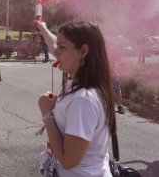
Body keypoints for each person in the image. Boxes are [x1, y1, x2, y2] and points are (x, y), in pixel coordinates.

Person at [36, 20, 115, 176]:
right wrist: (44, 30)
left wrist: (47, 114)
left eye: (62, 47)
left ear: (84, 51)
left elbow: (68, 160)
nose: (56, 52)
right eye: (57, 46)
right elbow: (56, 48)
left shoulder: (83, 99)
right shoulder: (83, 85)